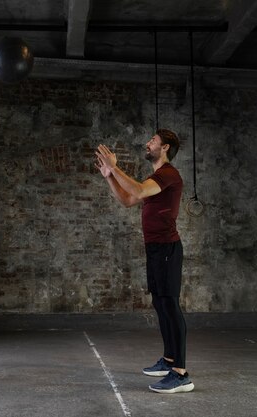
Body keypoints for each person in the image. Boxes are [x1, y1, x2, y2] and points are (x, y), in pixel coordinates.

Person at [95, 129, 194, 394]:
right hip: (155, 249)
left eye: (153, 141)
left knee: (170, 305)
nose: (147, 143)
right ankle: (170, 360)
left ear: (165, 147)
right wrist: (109, 176)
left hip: (167, 248)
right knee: (160, 303)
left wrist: (116, 168)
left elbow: (136, 189)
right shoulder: (156, 178)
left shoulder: (168, 174)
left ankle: (181, 374)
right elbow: (129, 199)